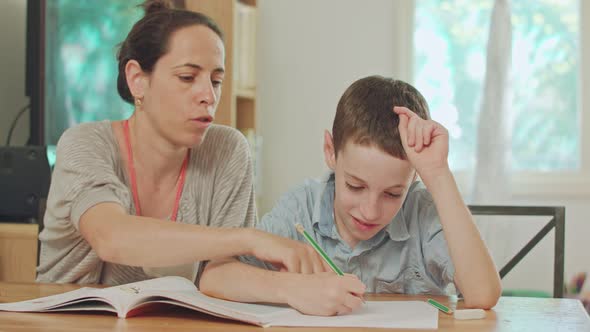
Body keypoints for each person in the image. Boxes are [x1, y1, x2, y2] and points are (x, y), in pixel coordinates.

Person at [36, 0, 327, 285]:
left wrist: (295, 290)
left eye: (215, 81)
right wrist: (251, 239)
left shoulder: (228, 150)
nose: (208, 97)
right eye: (187, 77)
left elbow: (227, 274)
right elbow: (111, 237)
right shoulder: (84, 144)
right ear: (137, 79)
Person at [199, 76, 502, 316]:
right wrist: (289, 288)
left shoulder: (422, 210)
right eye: (355, 186)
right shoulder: (302, 208)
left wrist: (438, 173)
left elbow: (483, 294)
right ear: (330, 152)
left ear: (414, 178)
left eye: (393, 194)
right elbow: (215, 277)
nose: (370, 211)